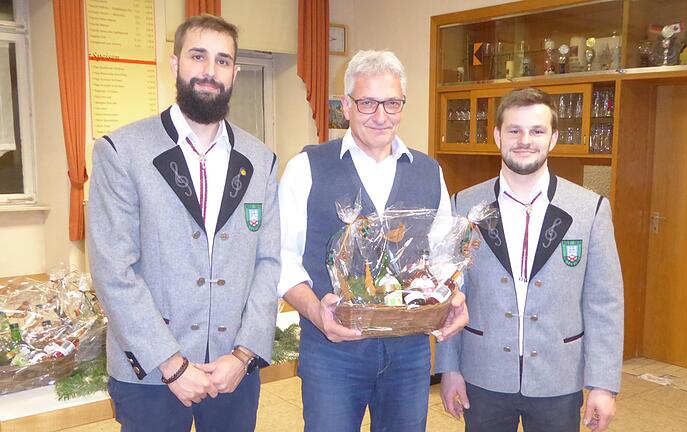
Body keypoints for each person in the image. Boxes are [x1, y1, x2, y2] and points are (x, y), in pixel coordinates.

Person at [87, 15, 279, 432]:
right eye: (198, 56)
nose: (210, 71)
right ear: (175, 63)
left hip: (233, 372)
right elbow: (113, 270)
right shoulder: (122, 151)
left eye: (223, 61)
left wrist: (243, 355)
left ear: (235, 72)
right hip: (151, 374)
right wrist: (173, 366)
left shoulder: (261, 160)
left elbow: (268, 263)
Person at [278, 50, 468, 432]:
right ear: (346, 106)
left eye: (392, 103)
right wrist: (317, 313)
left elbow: (446, 255)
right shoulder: (306, 167)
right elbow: (281, 257)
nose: (380, 116)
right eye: (367, 103)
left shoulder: (429, 172)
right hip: (333, 350)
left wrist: (451, 295)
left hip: (409, 351)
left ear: (402, 105)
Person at [435, 87, 624, 432]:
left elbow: (604, 303)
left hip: (559, 378)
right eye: (514, 130)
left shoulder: (589, 209)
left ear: (553, 138)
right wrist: (449, 369)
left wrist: (603, 383)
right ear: (497, 136)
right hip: (484, 374)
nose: (525, 140)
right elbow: (449, 295)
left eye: (537, 131)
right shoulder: (464, 205)